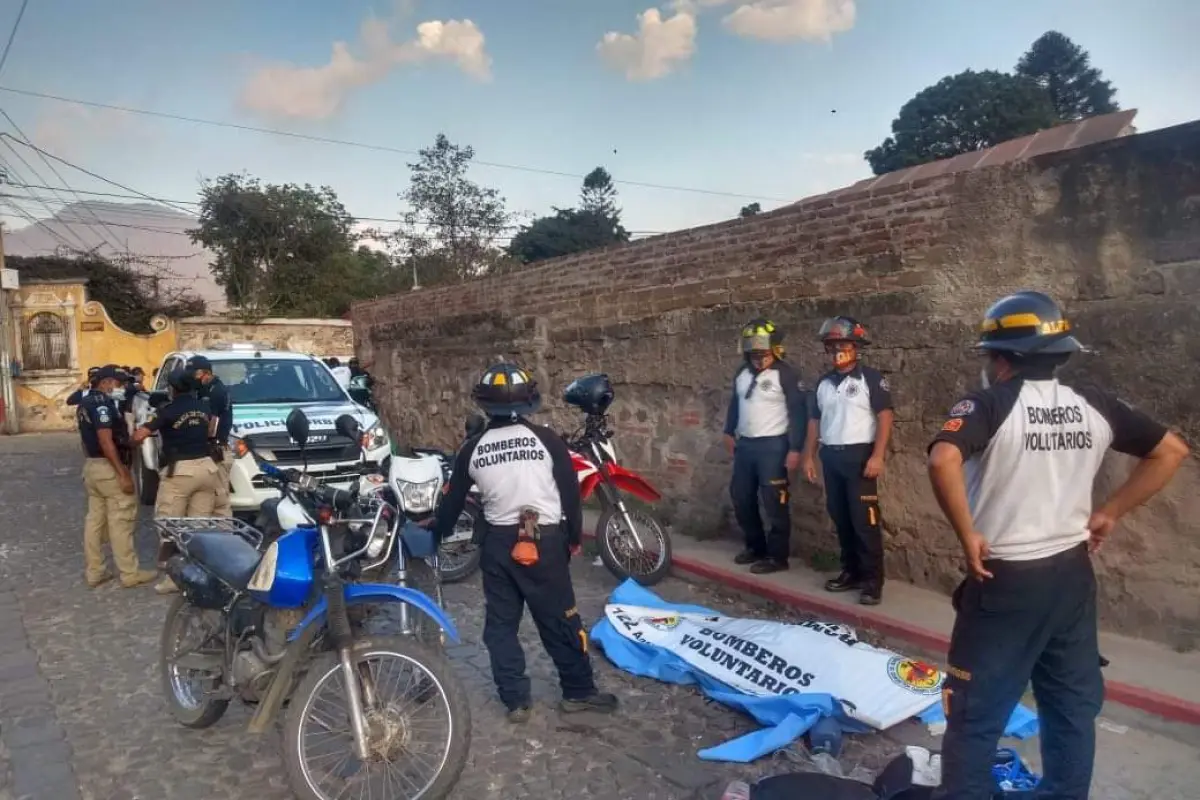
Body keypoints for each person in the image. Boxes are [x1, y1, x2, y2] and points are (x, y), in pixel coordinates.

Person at [927, 291, 1188, 799]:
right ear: (1060, 354)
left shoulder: (989, 403)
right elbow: (1171, 451)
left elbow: (943, 460)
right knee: (1070, 704)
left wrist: (967, 534)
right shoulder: (1095, 404)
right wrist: (1110, 511)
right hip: (1071, 577)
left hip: (1006, 581)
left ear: (1001, 359)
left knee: (974, 712)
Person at [434, 362, 618, 723]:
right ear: (529, 402)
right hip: (544, 541)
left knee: (501, 625)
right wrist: (574, 538)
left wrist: (434, 534)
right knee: (562, 620)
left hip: (497, 545)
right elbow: (570, 494)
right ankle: (578, 693)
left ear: (485, 405)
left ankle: (516, 700)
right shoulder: (547, 441)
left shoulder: (471, 450)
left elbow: (452, 505)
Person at [800, 316, 894, 606]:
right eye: (833, 345)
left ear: (856, 347)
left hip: (860, 458)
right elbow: (815, 421)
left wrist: (878, 455)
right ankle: (850, 571)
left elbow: (885, 417)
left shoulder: (872, 379)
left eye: (844, 344)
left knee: (865, 522)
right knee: (841, 518)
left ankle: (872, 581)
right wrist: (808, 456)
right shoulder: (824, 383)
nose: (838, 349)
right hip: (832, 457)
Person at [723, 318, 809, 575]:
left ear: (775, 349)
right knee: (741, 497)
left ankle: (777, 556)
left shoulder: (786, 374)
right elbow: (735, 404)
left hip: (774, 446)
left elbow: (798, 414)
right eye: (754, 353)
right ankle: (755, 547)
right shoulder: (742, 373)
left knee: (774, 502)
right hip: (746, 446)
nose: (759, 359)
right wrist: (728, 430)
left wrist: (795, 449)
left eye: (764, 353)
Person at [132, 367, 221, 595]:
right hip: (207, 470)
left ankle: (174, 580)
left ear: (172, 388)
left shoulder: (168, 411)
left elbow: (141, 435)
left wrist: (133, 437)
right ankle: (200, 576)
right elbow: (212, 430)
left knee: (169, 526)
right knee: (198, 528)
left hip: (181, 472)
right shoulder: (204, 406)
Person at [77, 365, 157, 589]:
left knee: (95, 521)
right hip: (108, 468)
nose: (120, 388)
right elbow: (105, 440)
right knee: (121, 520)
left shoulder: (85, 403)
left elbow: (86, 441)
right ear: (106, 382)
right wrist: (122, 473)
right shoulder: (102, 405)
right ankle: (129, 573)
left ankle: (95, 571)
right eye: (119, 384)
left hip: (93, 467)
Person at [186, 355, 234, 517]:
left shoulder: (217, 391)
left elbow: (212, 425)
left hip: (216, 449)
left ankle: (224, 535)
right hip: (208, 450)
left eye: (195, 374)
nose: (193, 378)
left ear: (206, 373)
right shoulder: (202, 390)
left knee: (220, 498)